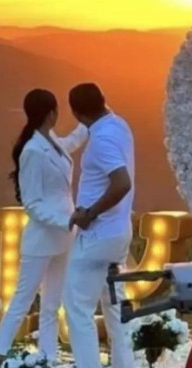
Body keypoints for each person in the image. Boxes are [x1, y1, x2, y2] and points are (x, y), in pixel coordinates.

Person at [0, 89, 88, 365]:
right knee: (22, 300)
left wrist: (89, 120)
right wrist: (65, 220)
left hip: (63, 239)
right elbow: (32, 204)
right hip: (43, 238)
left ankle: (48, 357)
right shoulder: (32, 150)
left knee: (51, 305)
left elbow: (70, 143)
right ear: (51, 113)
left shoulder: (52, 141)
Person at [63, 83, 135, 368]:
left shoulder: (101, 141)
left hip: (97, 237)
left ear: (76, 114)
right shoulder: (119, 125)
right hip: (118, 234)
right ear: (104, 100)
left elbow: (122, 183)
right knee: (115, 310)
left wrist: (90, 213)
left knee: (77, 309)